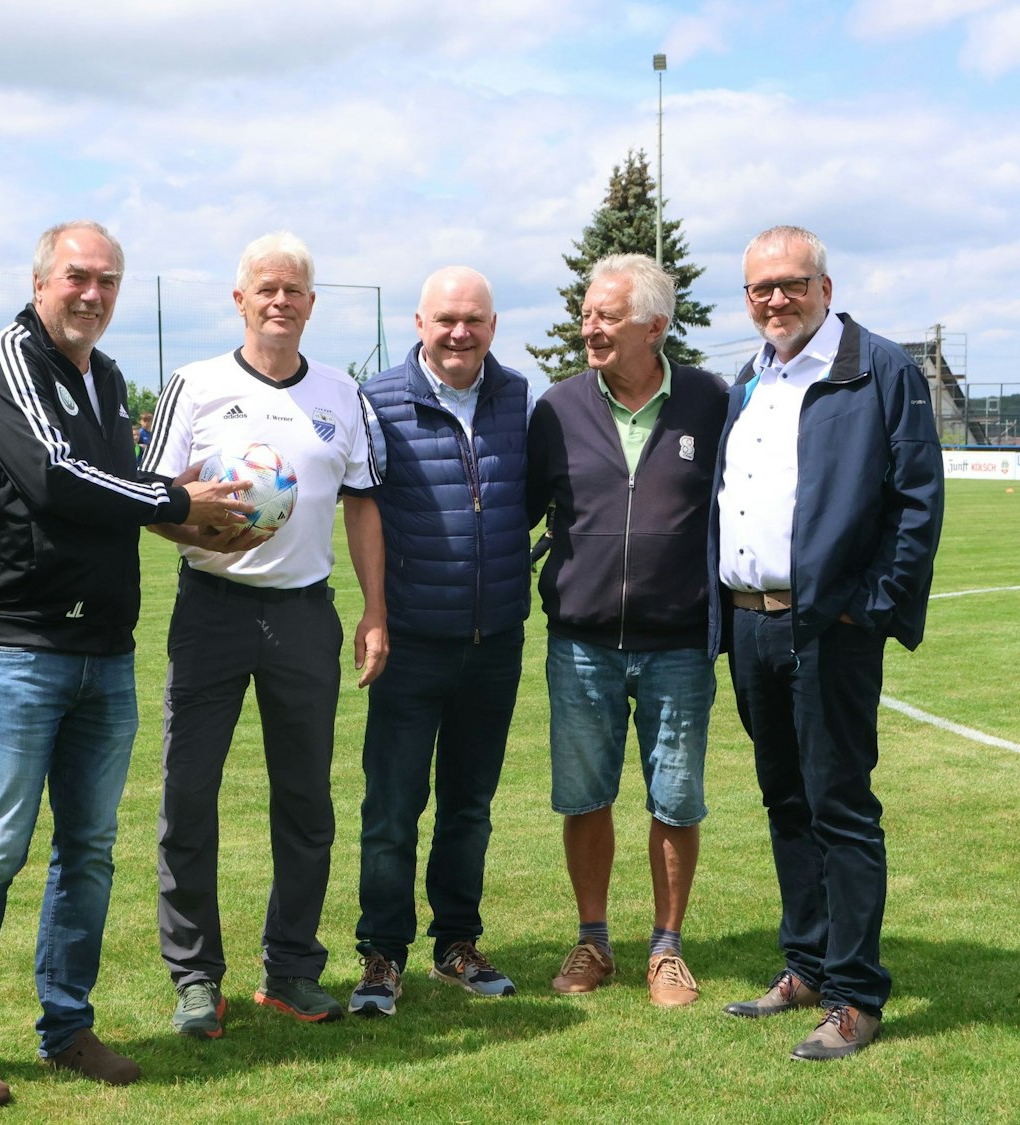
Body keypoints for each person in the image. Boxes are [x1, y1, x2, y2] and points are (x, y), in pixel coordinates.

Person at [0, 220, 252, 1108]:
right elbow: (55, 476)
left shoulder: (105, 377)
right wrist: (177, 495)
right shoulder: (8, 361)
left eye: (107, 280)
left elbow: (120, 501)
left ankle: (66, 1024)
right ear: (41, 281)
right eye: (78, 277)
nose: (93, 294)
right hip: (21, 647)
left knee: (89, 852)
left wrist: (200, 520)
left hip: (105, 652)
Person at [141, 231, 387, 1036]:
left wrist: (375, 611)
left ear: (311, 304)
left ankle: (291, 968)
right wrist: (199, 529)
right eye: (267, 288)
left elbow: (363, 504)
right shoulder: (196, 384)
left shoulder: (342, 393)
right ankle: (195, 978)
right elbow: (154, 498)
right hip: (211, 611)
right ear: (240, 299)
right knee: (188, 794)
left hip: (304, 615)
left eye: (294, 290)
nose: (280, 301)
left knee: (307, 799)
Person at [712, 225, 944, 1061]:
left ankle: (854, 993)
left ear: (826, 287)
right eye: (761, 287)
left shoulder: (878, 369)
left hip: (829, 628)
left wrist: (867, 608)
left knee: (840, 806)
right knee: (785, 800)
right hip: (751, 623)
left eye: (792, 283)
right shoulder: (750, 378)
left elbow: (916, 500)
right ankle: (805, 966)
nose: (776, 298)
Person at [525, 254, 727, 1008]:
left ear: (654, 326)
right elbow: (520, 512)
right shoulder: (557, 408)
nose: (590, 328)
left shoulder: (712, 402)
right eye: (586, 314)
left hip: (679, 646)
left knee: (676, 799)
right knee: (584, 796)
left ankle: (666, 948)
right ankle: (593, 939)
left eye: (606, 316)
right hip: (580, 645)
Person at [346, 266, 531, 1018]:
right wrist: (375, 611)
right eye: (446, 319)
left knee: (469, 806)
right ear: (419, 323)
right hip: (411, 641)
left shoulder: (518, 396)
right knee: (392, 806)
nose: (460, 333)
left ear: (493, 326)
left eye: (474, 320)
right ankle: (382, 953)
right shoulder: (378, 399)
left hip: (496, 641)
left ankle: (457, 942)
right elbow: (362, 507)